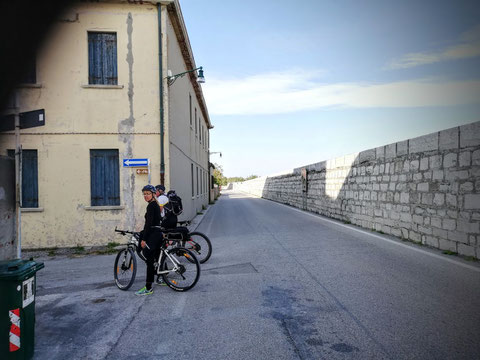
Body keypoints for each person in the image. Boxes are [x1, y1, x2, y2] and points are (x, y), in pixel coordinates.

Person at [135, 184, 162, 296]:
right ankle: (160, 278)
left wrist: (144, 239)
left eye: (148, 194)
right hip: (157, 233)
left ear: (153, 194)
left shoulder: (151, 206)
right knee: (157, 256)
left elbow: (149, 223)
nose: (146, 196)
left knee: (148, 257)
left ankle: (148, 287)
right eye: (144, 194)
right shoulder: (155, 204)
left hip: (154, 234)